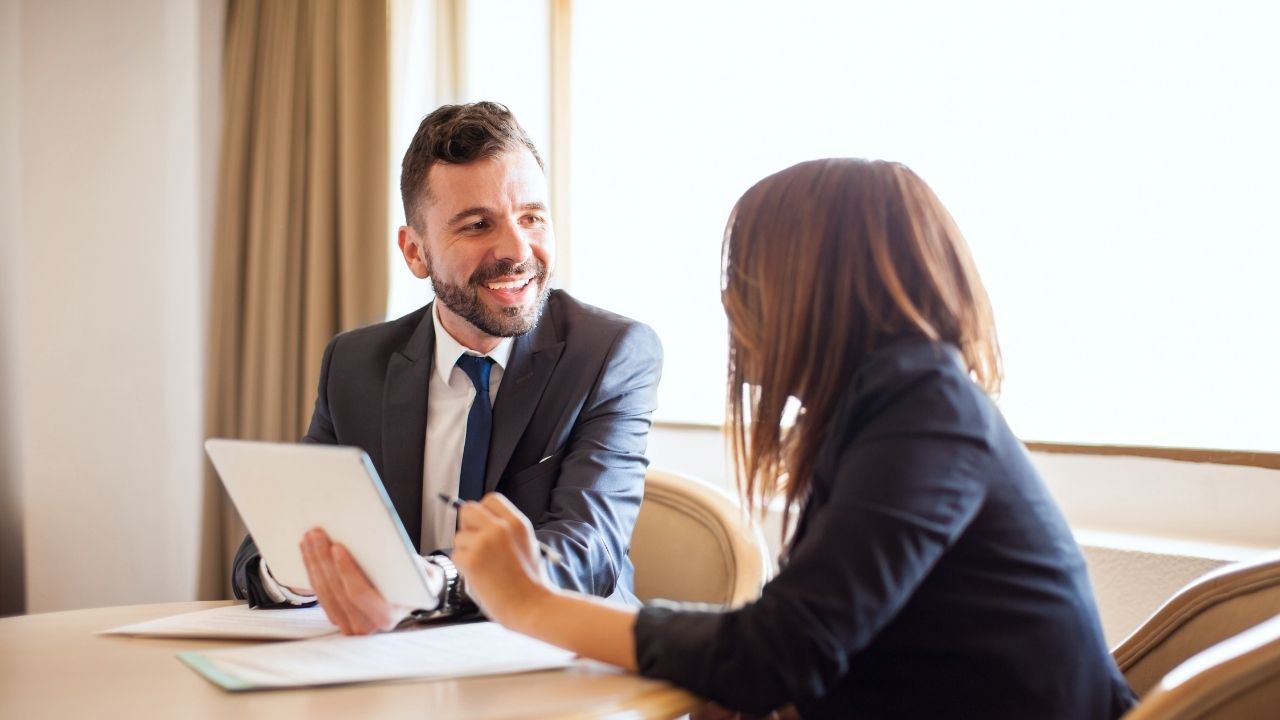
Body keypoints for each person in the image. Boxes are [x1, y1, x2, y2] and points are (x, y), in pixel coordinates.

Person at [451, 159, 1138, 718]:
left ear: (816, 287)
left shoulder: (925, 408)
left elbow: (777, 652)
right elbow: (820, 643)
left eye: (744, 275)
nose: (729, 303)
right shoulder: (886, 410)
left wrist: (533, 604)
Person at [230, 102, 663, 635]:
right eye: (478, 225)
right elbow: (269, 548)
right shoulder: (355, 364)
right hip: (399, 669)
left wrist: (427, 584)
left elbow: (585, 552)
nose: (517, 249)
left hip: (560, 662)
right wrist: (306, 573)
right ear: (416, 252)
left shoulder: (609, 354)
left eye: (531, 217)